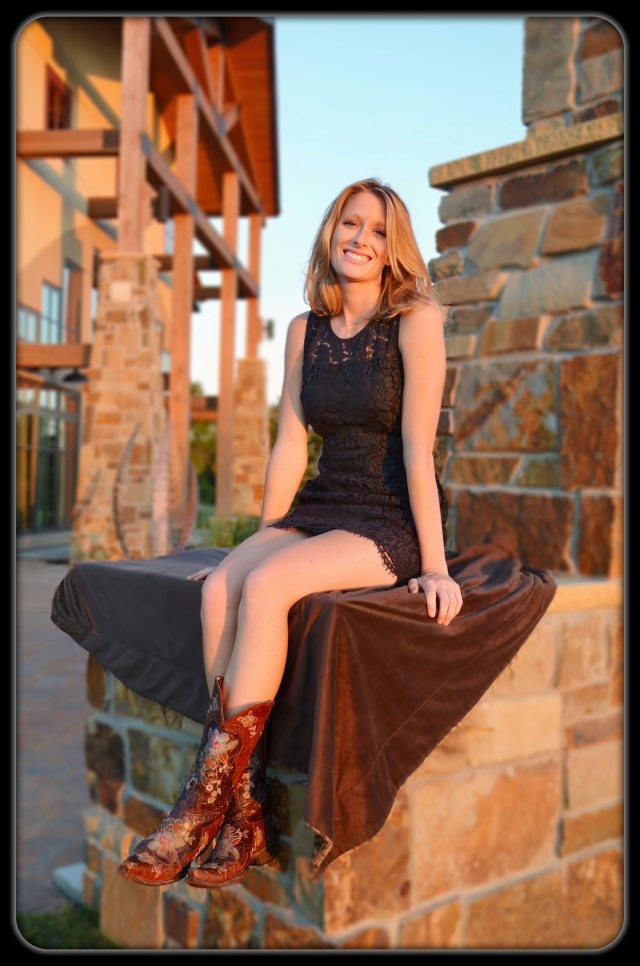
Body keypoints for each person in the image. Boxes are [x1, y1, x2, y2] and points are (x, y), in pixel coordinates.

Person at [119, 176, 463, 889]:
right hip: (321, 503)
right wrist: (259, 536)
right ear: (330, 231)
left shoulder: (416, 320)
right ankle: (245, 817)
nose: (359, 239)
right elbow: (288, 443)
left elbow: (417, 450)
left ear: (392, 247)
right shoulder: (305, 329)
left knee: (269, 586)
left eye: (375, 229)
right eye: (349, 223)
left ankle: (197, 806)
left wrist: (435, 564)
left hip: (384, 519)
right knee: (222, 586)